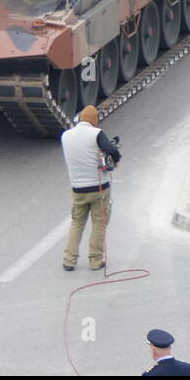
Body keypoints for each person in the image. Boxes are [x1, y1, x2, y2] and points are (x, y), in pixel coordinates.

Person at [61, 104, 121, 272]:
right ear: (94, 121)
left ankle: (69, 260)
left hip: (78, 190)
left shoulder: (65, 136)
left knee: (77, 222)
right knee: (99, 223)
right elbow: (111, 150)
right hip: (99, 189)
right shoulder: (96, 134)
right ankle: (95, 260)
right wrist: (115, 159)